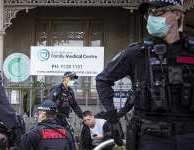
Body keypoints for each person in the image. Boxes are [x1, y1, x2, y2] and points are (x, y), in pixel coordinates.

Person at [96, 0, 194, 150]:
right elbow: (103, 80)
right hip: (152, 138)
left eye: (157, 12)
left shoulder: (191, 51)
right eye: (149, 14)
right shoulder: (137, 52)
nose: (151, 17)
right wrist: (112, 117)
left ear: (177, 14)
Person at [48, 71, 83, 137]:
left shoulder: (70, 91)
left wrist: (83, 117)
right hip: (55, 117)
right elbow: (50, 103)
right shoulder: (57, 89)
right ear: (64, 78)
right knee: (56, 135)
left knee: (69, 134)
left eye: (73, 79)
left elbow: (75, 106)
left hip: (64, 117)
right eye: (71, 78)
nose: (72, 80)